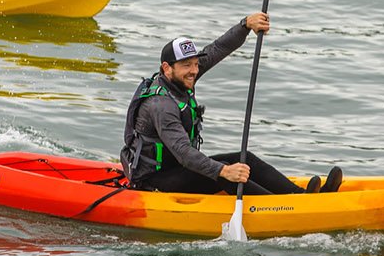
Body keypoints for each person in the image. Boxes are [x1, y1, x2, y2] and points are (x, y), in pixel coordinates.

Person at [120, 13, 343, 196]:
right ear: (167, 68)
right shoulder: (161, 105)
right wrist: (224, 170)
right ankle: (281, 208)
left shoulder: (182, 79)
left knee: (244, 159)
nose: (194, 70)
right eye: (187, 65)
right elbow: (184, 153)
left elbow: (217, 49)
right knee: (224, 173)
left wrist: (246, 24)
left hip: (180, 168)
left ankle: (300, 196)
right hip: (154, 181)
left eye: (196, 64)